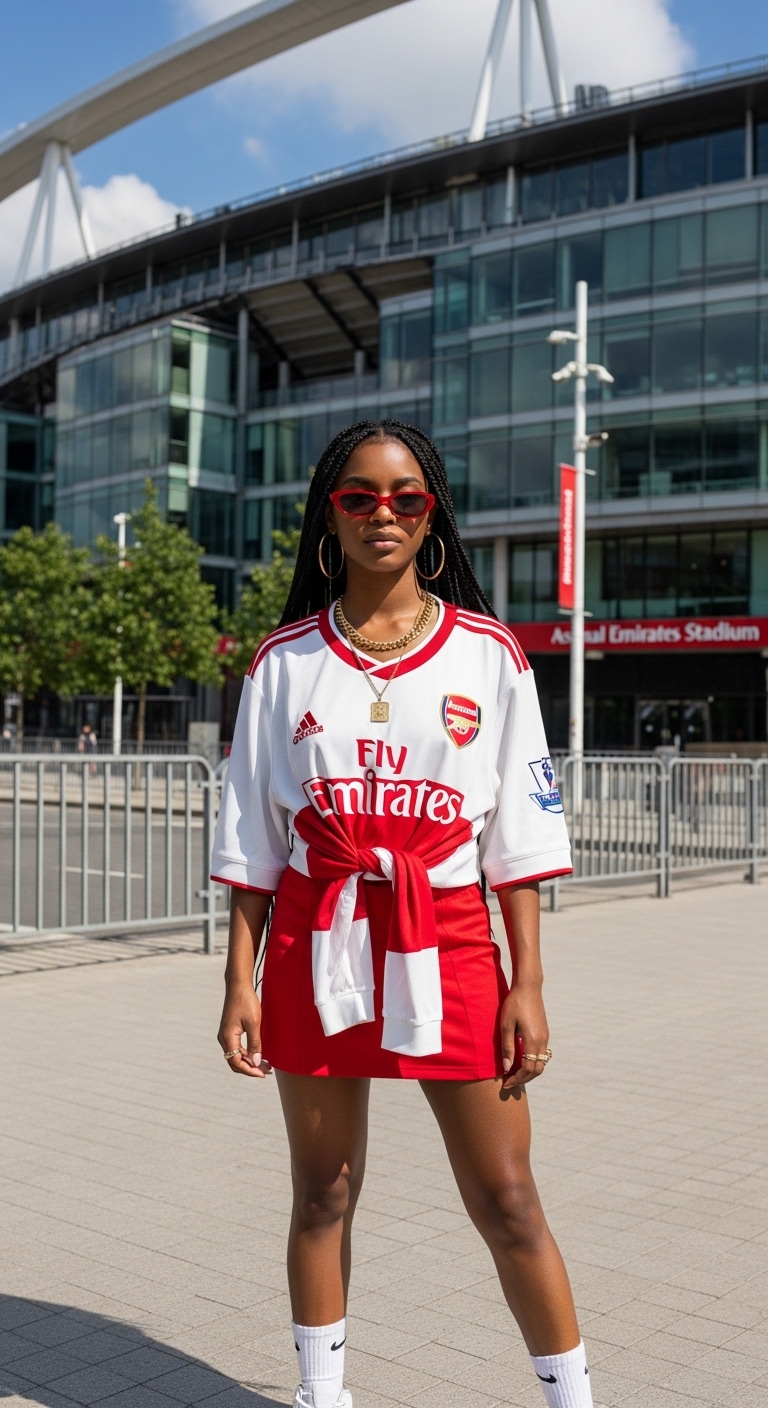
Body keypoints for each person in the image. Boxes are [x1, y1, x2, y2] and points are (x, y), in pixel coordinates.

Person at [212, 420, 591, 1408]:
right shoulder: (282, 664)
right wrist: (237, 984)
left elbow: (517, 840)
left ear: (433, 518)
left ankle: (573, 1398)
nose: (384, 512)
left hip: (453, 936)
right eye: (359, 496)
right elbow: (254, 842)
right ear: (327, 518)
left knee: (508, 1198)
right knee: (324, 1190)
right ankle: (321, 1394)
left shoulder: (490, 655)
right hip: (315, 933)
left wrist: (529, 984)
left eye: (407, 497)